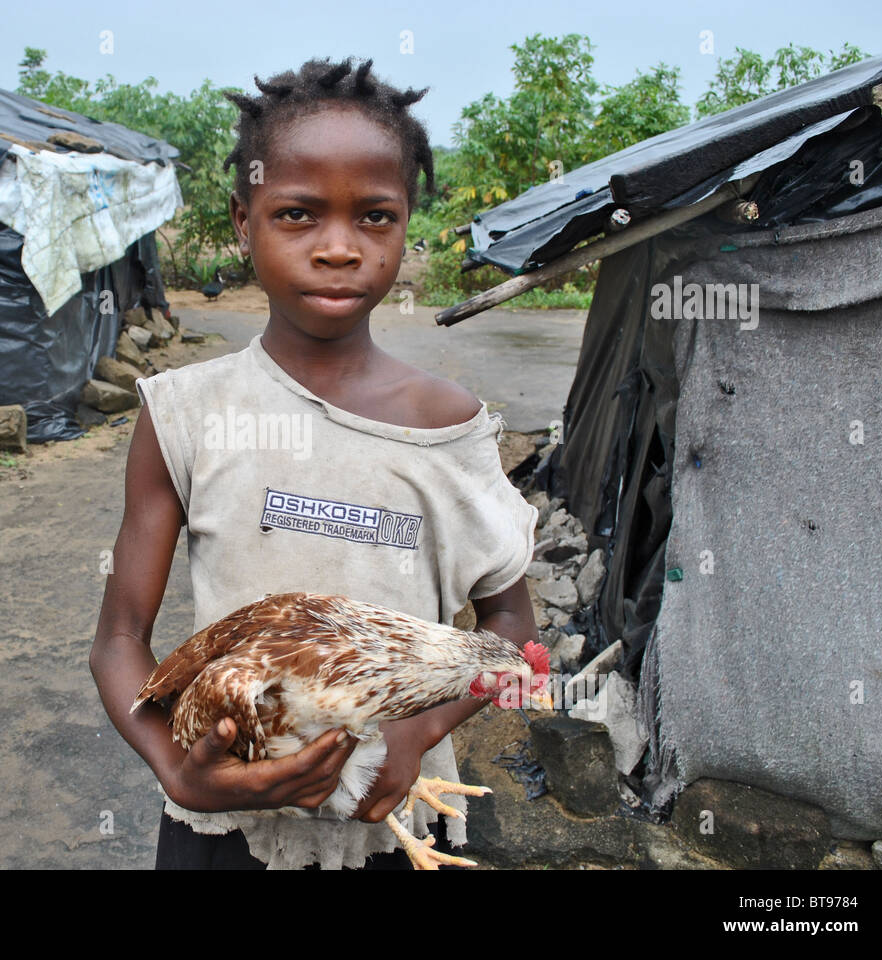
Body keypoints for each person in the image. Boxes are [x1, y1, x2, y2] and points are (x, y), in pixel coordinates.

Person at [89, 56, 539, 869]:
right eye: (297, 214)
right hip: (222, 833)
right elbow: (120, 636)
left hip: (391, 826)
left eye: (374, 217)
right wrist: (177, 771)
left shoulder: (450, 427)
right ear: (242, 219)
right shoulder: (185, 414)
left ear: (406, 225)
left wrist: (415, 733)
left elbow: (512, 633)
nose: (338, 249)